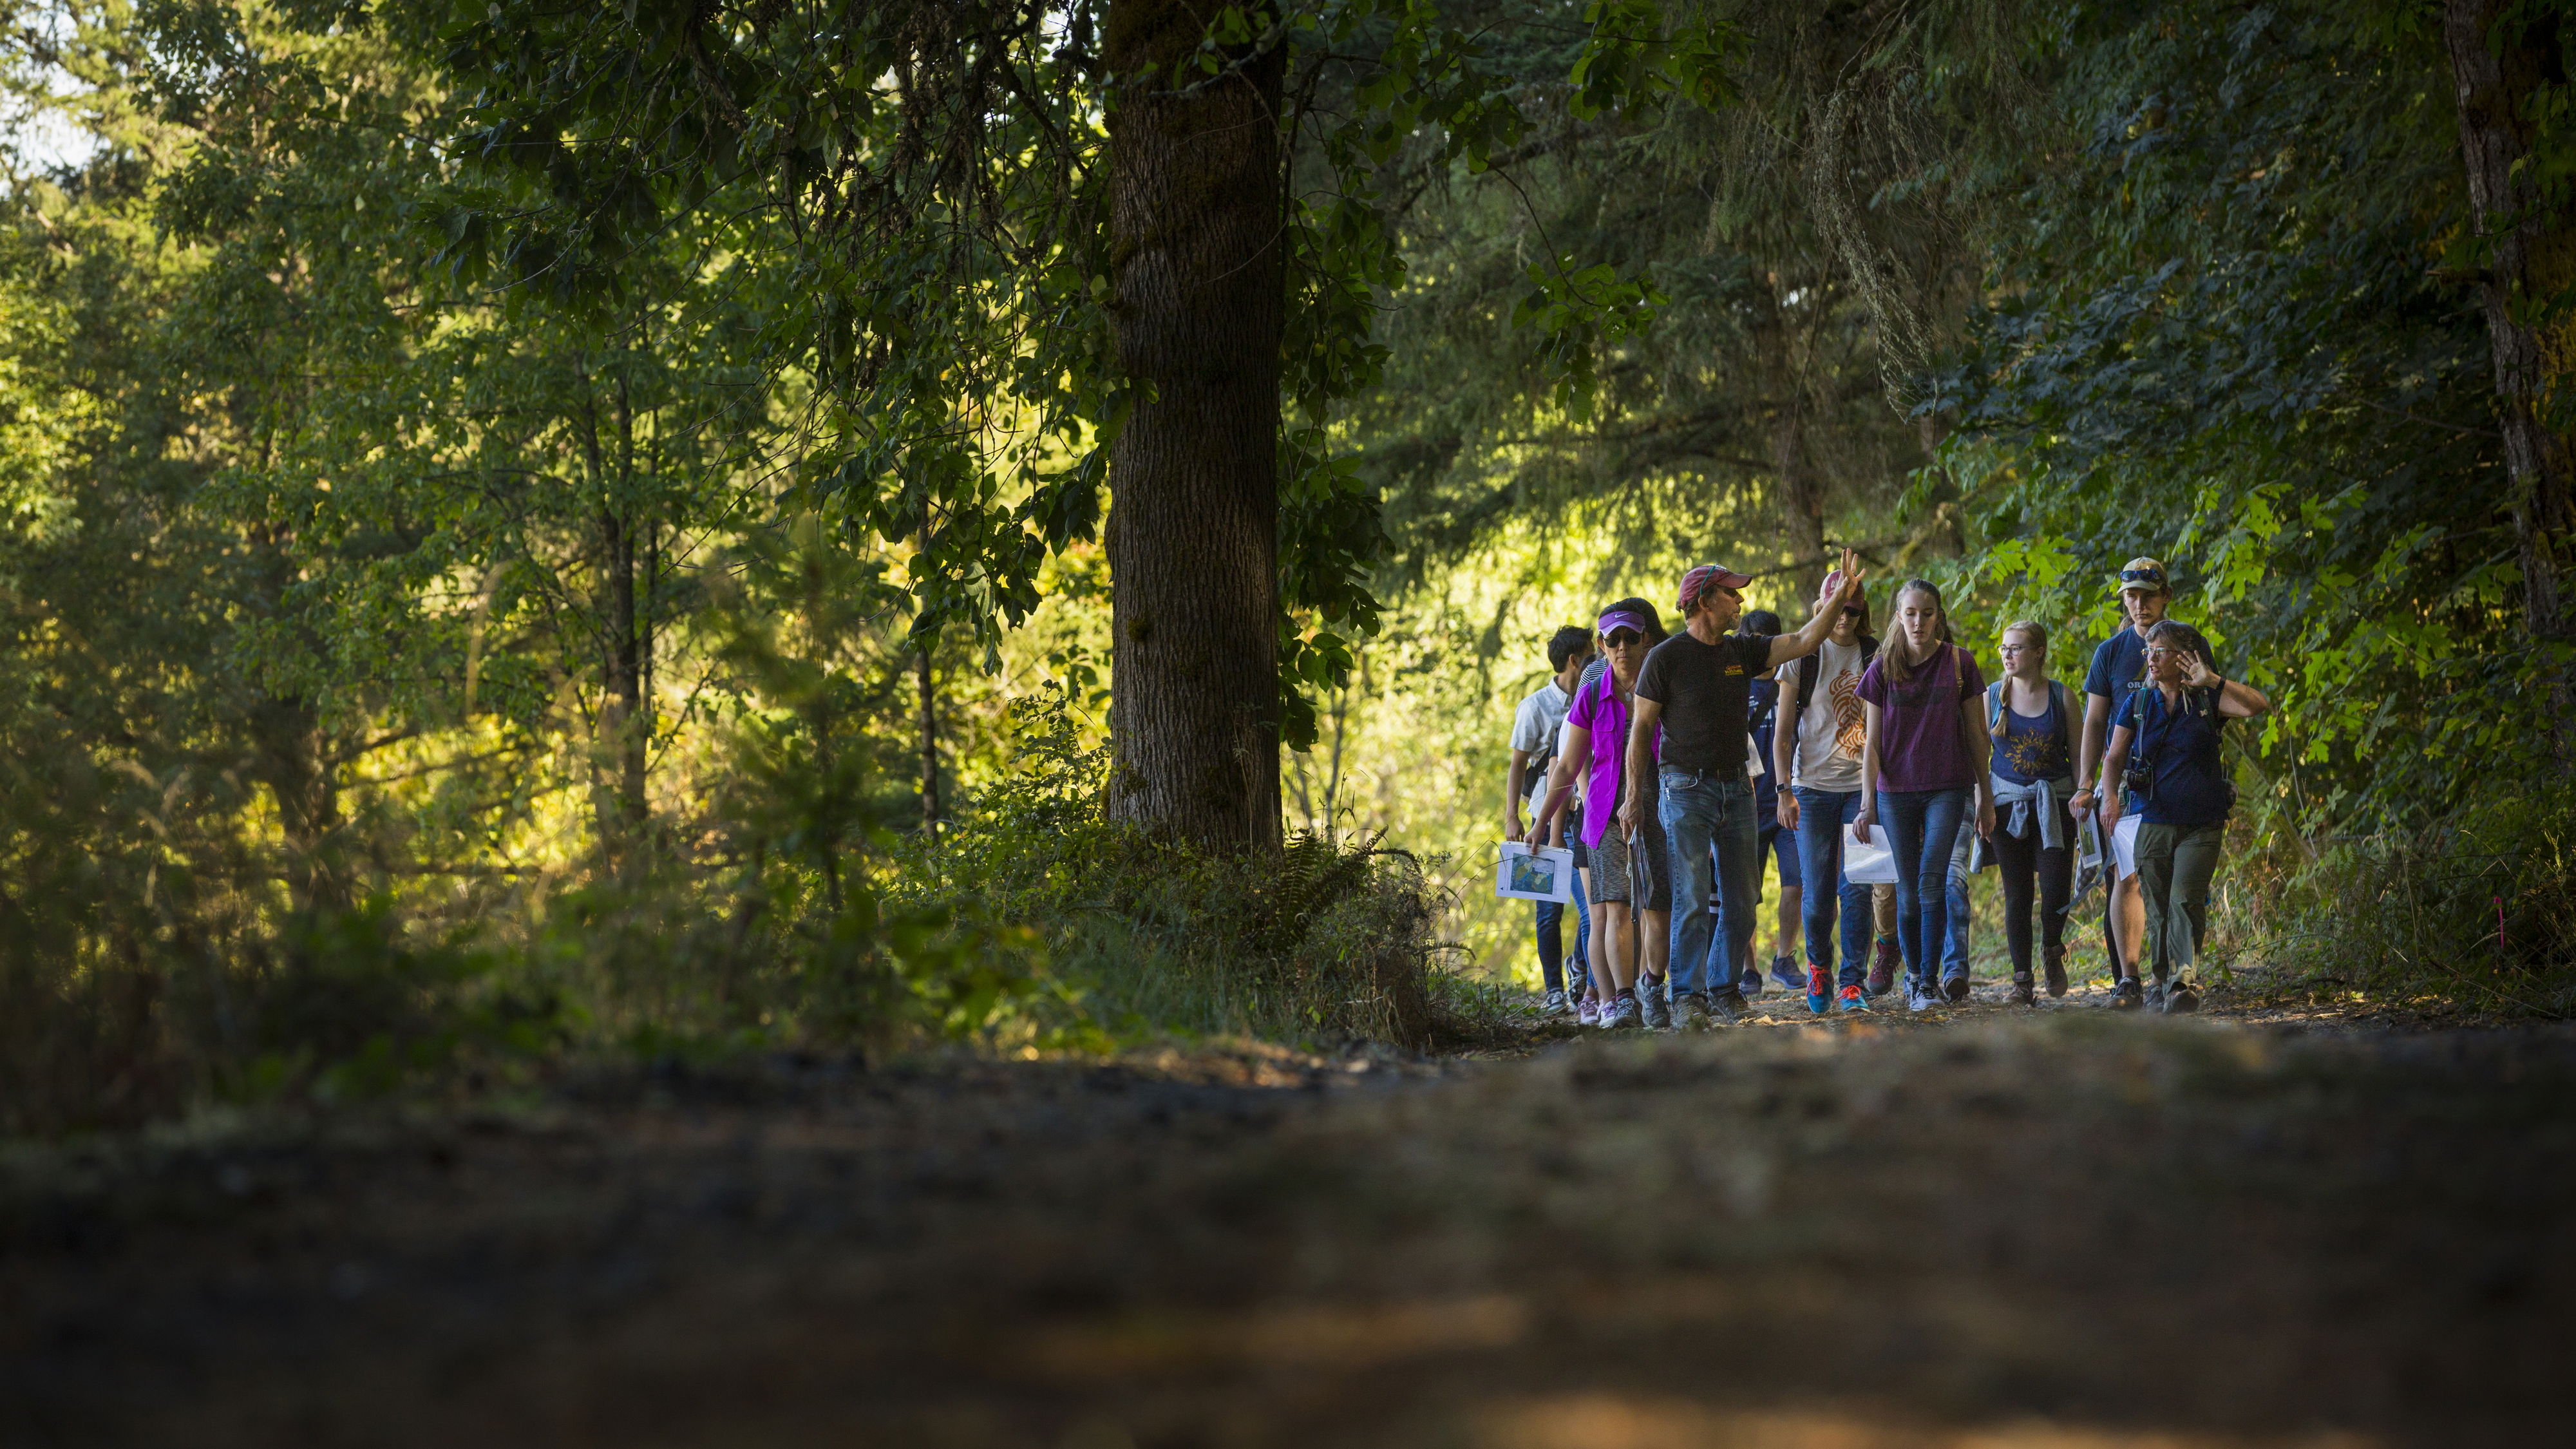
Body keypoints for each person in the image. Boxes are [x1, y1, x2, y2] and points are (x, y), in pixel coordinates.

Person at [1625, 549, 1868, 1028]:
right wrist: (1635, 797)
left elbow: (1802, 640)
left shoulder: (1742, 650)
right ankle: (1687, 996)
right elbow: (1640, 733)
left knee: (1742, 899)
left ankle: (1724, 986)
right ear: (1702, 601)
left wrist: (1839, 597)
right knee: (1693, 898)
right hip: (1685, 788)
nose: (1739, 601)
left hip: (1737, 786)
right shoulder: (1665, 658)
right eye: (1730, 593)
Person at [2099, 620, 2269, 1014]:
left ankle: (2182, 982)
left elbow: (2256, 705)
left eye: (2159, 651)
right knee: (2157, 906)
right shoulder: (2138, 702)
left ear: (2183, 657)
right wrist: (2110, 798)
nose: (2150, 659)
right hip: (2149, 818)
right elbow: (2115, 756)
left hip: (2202, 821)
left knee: (2185, 900)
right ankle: (2159, 979)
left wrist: (2212, 679)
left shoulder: (2208, 700)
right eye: (2148, 652)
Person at [1853, 579, 1993, 1011]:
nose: (1918, 621)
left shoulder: (1959, 664)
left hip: (1947, 789)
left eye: (1927, 613)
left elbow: (1976, 733)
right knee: (1909, 890)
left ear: (1939, 617)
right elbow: (1871, 742)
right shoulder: (1881, 669)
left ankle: (1928, 982)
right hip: (1895, 792)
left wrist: (1985, 795)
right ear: (1899, 617)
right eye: (1910, 613)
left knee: (1932, 883)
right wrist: (1866, 803)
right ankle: (1914, 978)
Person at [1533, 600, 1672, 1030]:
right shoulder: (1593, 693)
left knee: (1658, 909)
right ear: (1602, 645)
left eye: (1632, 637)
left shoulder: (1668, 687)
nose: (1624, 647)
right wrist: (1541, 822)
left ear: (1646, 639)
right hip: (1604, 812)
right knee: (1614, 909)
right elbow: (1568, 766)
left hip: (1662, 809)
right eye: (1614, 640)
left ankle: (1652, 986)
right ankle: (1621, 1000)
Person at [1770, 571, 1877, 1014]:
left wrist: (1875, 796)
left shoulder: (1874, 654)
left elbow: (1881, 732)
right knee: (1816, 895)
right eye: (1838, 608)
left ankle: (1853, 982)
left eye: (1854, 610)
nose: (1845, 618)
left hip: (1861, 788)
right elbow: (1781, 734)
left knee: (1857, 889)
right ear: (1823, 606)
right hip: (1811, 788)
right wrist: (1783, 791)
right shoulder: (1802, 654)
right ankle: (1819, 967)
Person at [1985, 621, 2081, 1005]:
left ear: (2039, 652)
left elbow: (2078, 754)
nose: (2008, 655)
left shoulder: (2062, 697)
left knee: (2056, 886)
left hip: (2056, 805)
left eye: (2017, 648)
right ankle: (2022, 982)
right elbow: (1980, 756)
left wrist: (2085, 797)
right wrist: (1982, 801)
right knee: (2017, 893)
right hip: (2006, 806)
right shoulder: (1992, 696)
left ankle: (2053, 951)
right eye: (2004, 649)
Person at [1506, 626, 1596, 1014]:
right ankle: (1555, 991)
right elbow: (1517, 765)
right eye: (1591, 654)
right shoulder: (1534, 707)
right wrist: (1512, 815)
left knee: (1593, 907)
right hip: (1542, 820)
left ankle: (1579, 966)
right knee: (1549, 911)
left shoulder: (1596, 696)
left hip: (1585, 818)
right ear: (1574, 661)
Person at [1717, 610, 1803, 1003]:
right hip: (1745, 804)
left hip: (1787, 801)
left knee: (1795, 883)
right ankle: (1749, 967)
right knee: (1744, 891)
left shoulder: (1792, 683)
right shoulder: (1733, 686)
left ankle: (1784, 958)